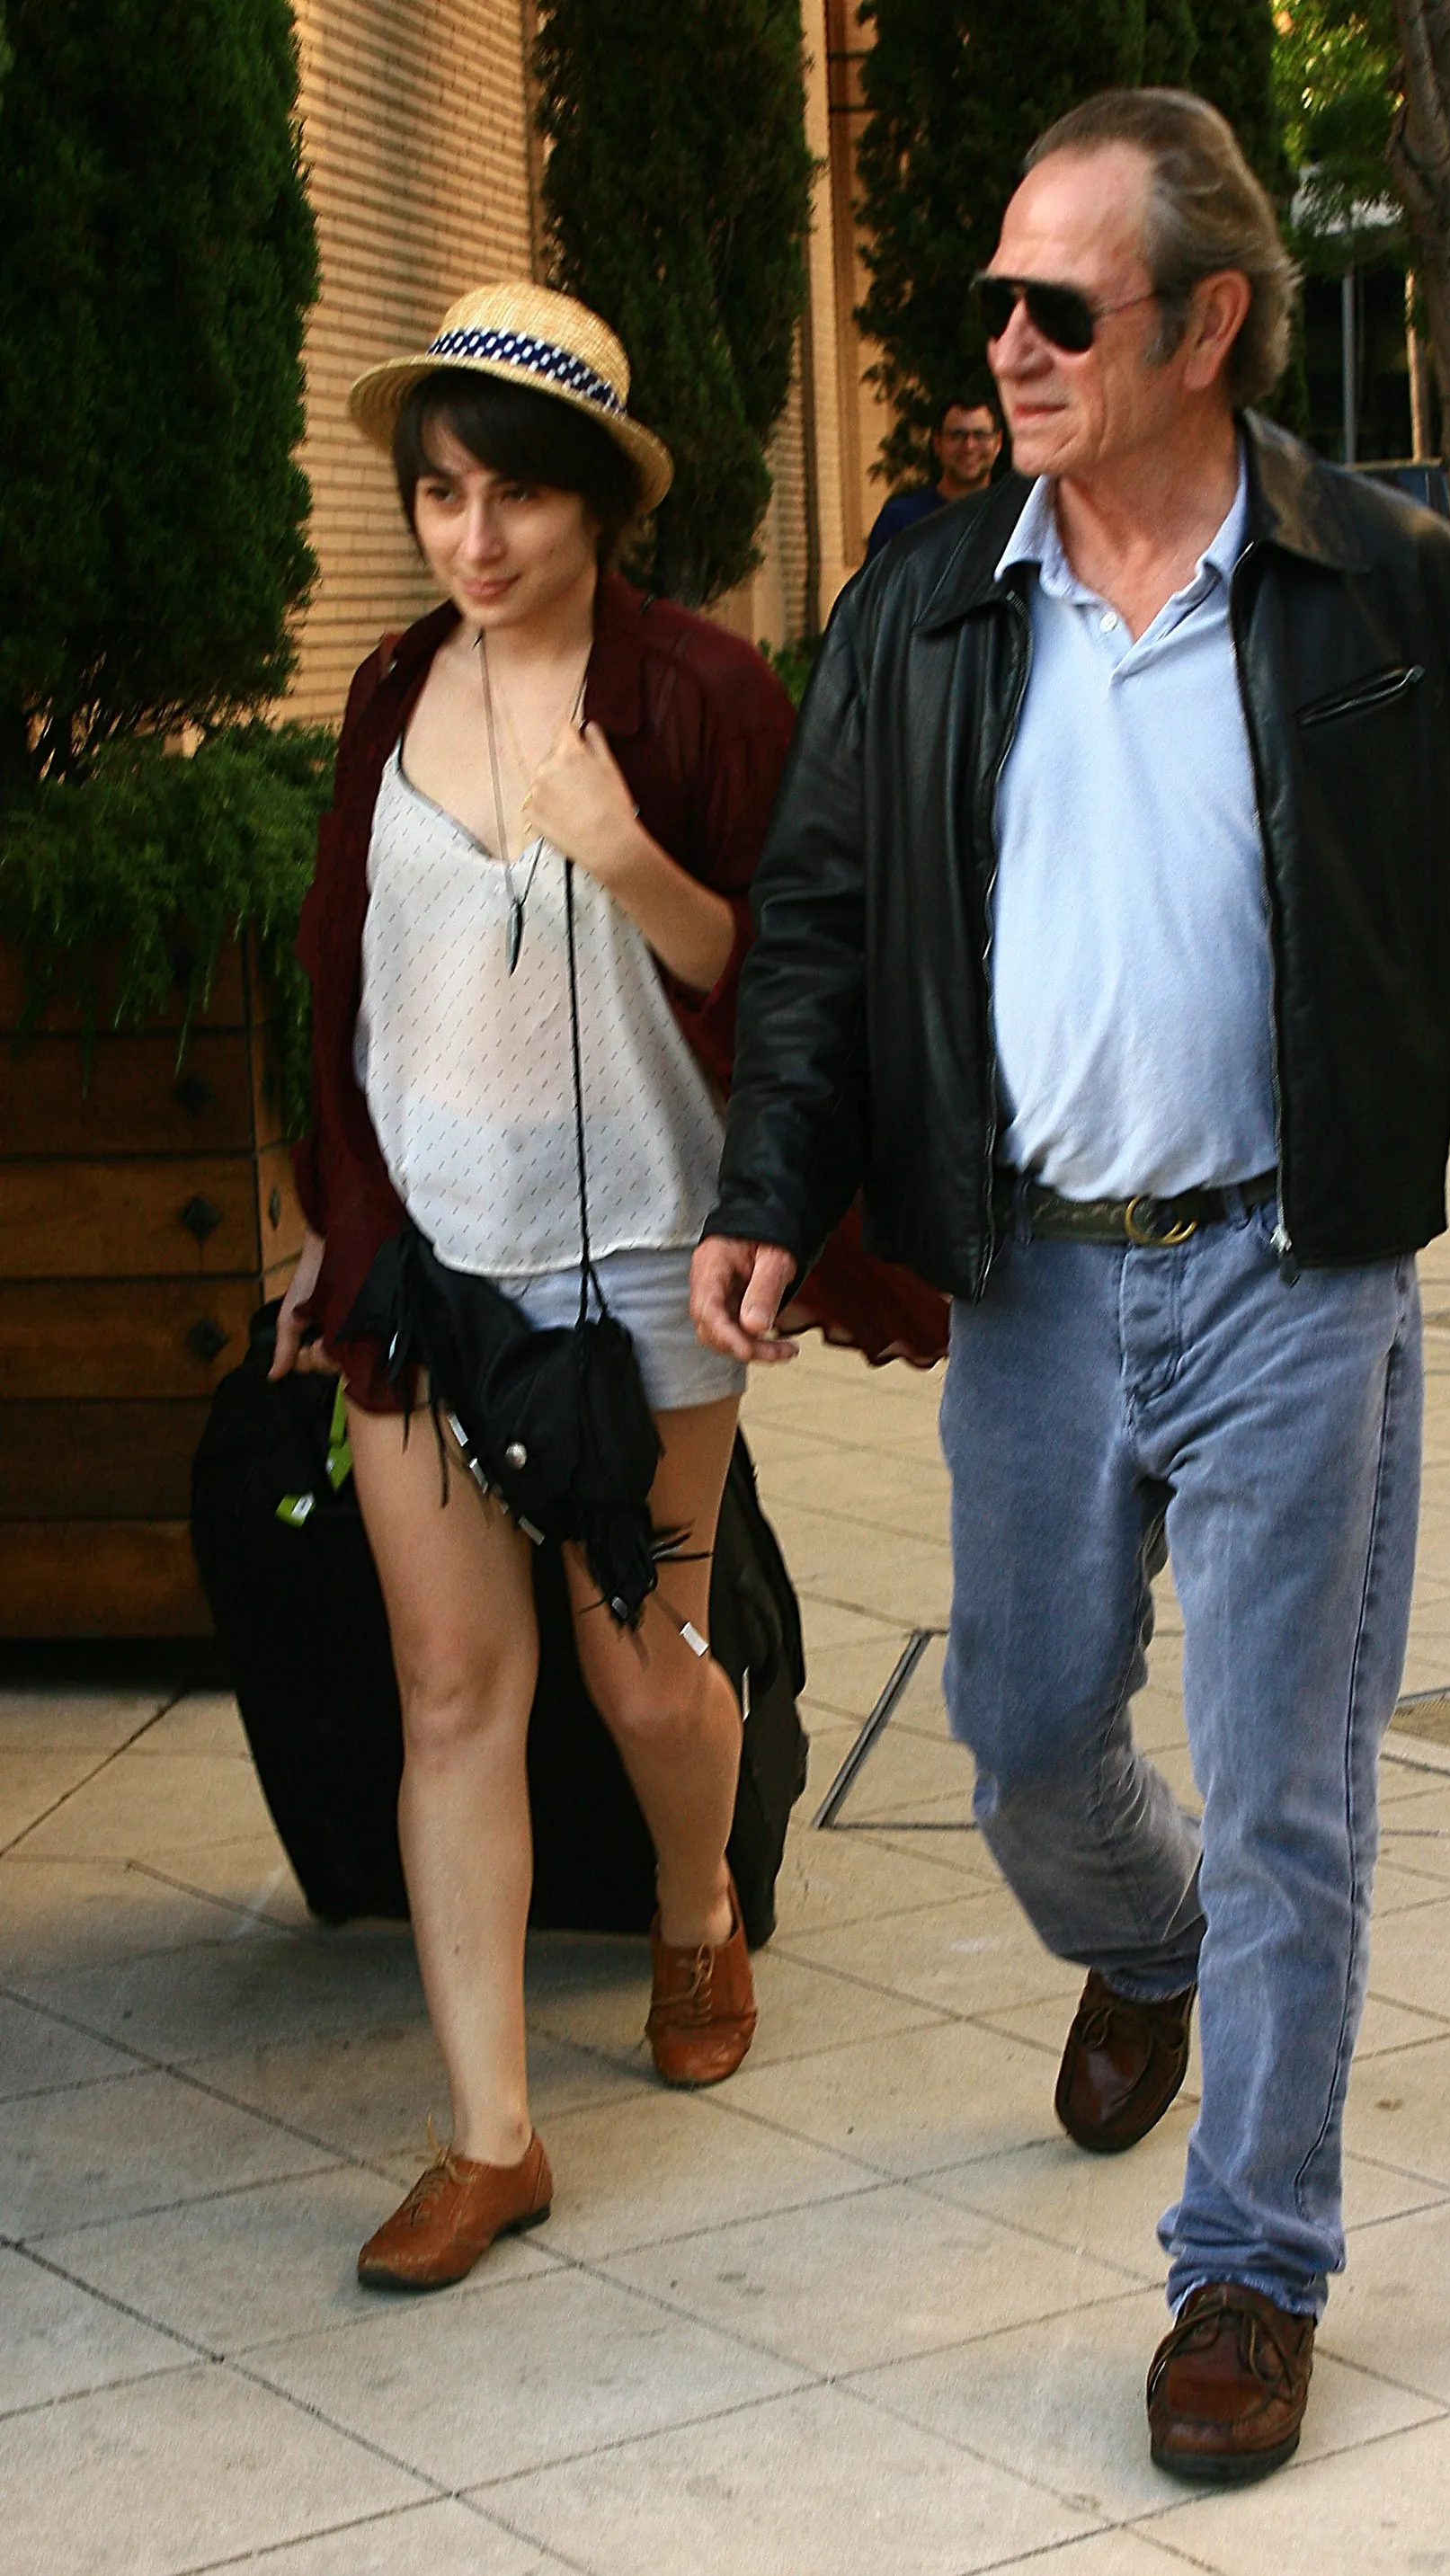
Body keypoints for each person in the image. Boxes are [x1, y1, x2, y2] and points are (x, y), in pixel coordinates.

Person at [692, 91, 1450, 2484]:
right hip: (1041, 1283)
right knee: (1021, 1739)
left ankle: (1249, 2267)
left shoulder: (1377, 587)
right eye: (993, 296)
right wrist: (777, 1184)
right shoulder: (925, 593)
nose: (1005, 340)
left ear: (1205, 323)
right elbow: (814, 927)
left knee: (1294, 1790)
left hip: (1297, 1274)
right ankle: (1147, 1941)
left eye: (1056, 304)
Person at [272, 283, 939, 2293]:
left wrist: (624, 849)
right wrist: (336, 1219)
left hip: (649, 1272)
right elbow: (352, 979)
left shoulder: (701, 693)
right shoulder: (393, 686)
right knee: (455, 1690)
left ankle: (691, 1901)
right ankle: (489, 2137)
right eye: (443, 496)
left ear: (600, 507)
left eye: (519, 501)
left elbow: (798, 981)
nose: (476, 542)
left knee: (646, 1668)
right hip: (425, 1279)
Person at [865, 392, 1003, 557]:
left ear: (998, 443)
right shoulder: (899, 521)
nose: (969, 447)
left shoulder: (1013, 520)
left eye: (980, 435)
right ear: (937, 443)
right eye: (957, 435)